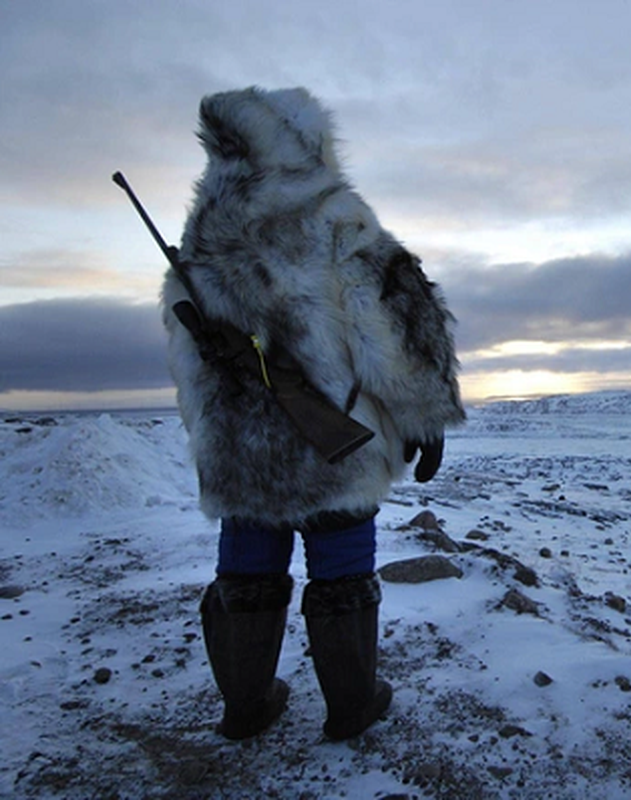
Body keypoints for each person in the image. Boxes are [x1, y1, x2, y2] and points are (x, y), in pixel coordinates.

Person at [162, 87, 464, 740]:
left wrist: (213, 434)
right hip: (338, 443)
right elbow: (395, 324)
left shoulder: (203, 229)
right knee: (343, 569)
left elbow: (188, 351)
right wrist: (424, 416)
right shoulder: (334, 215)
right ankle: (352, 707)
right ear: (310, 143)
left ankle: (245, 705)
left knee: (245, 570)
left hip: (241, 453)